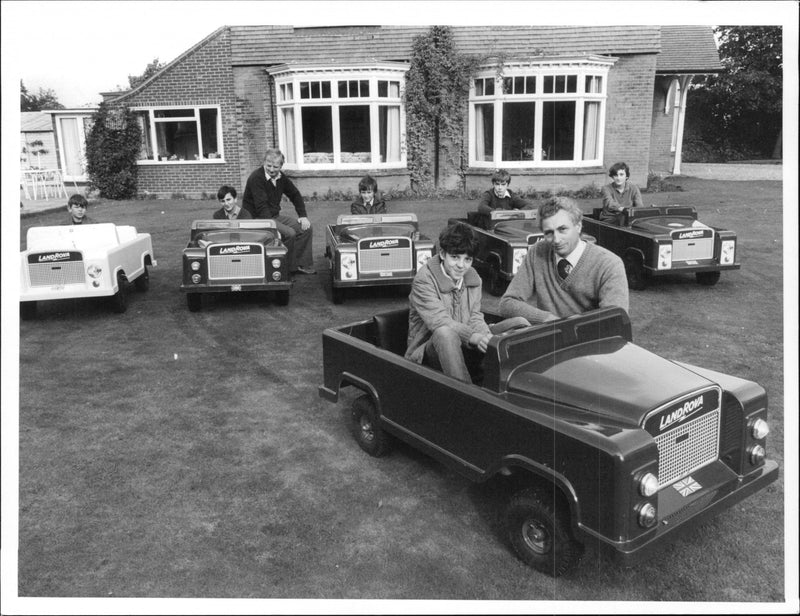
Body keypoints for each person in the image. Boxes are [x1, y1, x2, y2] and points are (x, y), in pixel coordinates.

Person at [406, 222, 529, 383]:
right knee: (445, 333)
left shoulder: (474, 278)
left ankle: (513, 384)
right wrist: (475, 337)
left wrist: (486, 336)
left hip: (465, 345)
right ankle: (468, 396)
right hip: (428, 351)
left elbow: (475, 316)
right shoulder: (424, 280)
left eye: (467, 259)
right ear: (443, 254)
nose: (461, 265)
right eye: (455, 257)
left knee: (520, 323)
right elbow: (440, 322)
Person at [499, 196, 629, 323]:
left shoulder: (609, 264)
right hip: (550, 337)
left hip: (591, 342)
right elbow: (507, 303)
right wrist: (546, 319)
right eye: (549, 233)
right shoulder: (536, 252)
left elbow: (614, 321)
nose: (556, 239)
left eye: (562, 229)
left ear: (578, 226)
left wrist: (564, 327)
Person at [241, 148, 315, 275]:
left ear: (281, 166)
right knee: (289, 233)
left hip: (273, 216)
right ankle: (283, 268)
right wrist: (275, 227)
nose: (271, 169)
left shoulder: (281, 177)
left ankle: (299, 264)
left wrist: (303, 216)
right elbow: (261, 207)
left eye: (275, 167)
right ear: (264, 162)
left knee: (306, 228)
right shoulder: (256, 178)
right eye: (268, 165)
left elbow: (295, 194)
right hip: (257, 219)